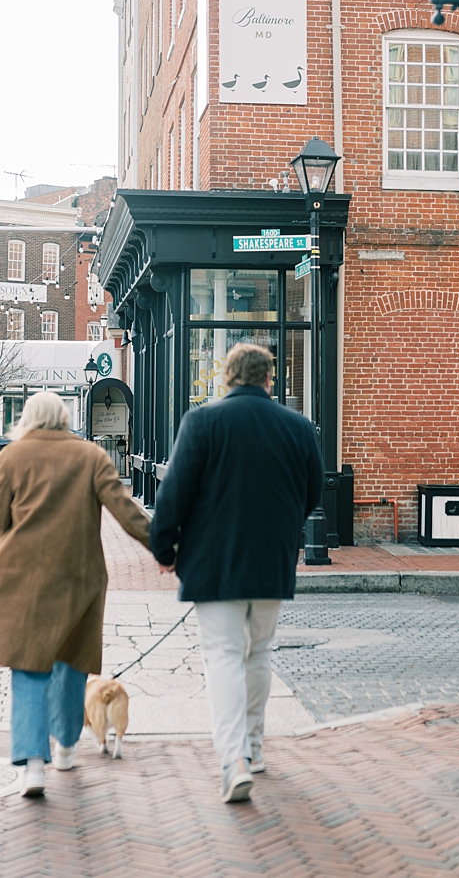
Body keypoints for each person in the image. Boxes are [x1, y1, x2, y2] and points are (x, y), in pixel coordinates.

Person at [148, 341, 324, 804]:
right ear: (270, 378)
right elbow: (312, 494)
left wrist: (164, 549)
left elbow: (174, 494)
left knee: (223, 655)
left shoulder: (203, 422)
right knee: (259, 652)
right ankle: (256, 747)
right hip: (272, 559)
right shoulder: (299, 428)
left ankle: (235, 760)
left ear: (226, 377)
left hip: (214, 561)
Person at [0, 389, 154, 800]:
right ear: (64, 417)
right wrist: (168, 547)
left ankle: (33, 765)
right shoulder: (91, 457)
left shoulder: (11, 457)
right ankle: (65, 747)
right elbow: (127, 512)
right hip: (77, 578)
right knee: (72, 663)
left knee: (29, 670)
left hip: (21, 578)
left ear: (27, 418)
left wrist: (17, 541)